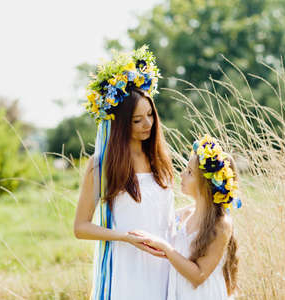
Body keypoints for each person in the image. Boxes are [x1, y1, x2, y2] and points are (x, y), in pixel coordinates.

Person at [73, 46, 175, 300]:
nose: (148, 124)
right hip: (126, 269)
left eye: (150, 115)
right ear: (120, 123)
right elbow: (80, 227)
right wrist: (125, 237)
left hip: (164, 266)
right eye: (137, 120)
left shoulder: (160, 159)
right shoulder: (102, 165)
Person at [131, 134, 241, 299]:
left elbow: (198, 276)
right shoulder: (185, 214)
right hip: (180, 293)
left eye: (189, 172)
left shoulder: (221, 224)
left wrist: (166, 249)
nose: (182, 175)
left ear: (205, 183)